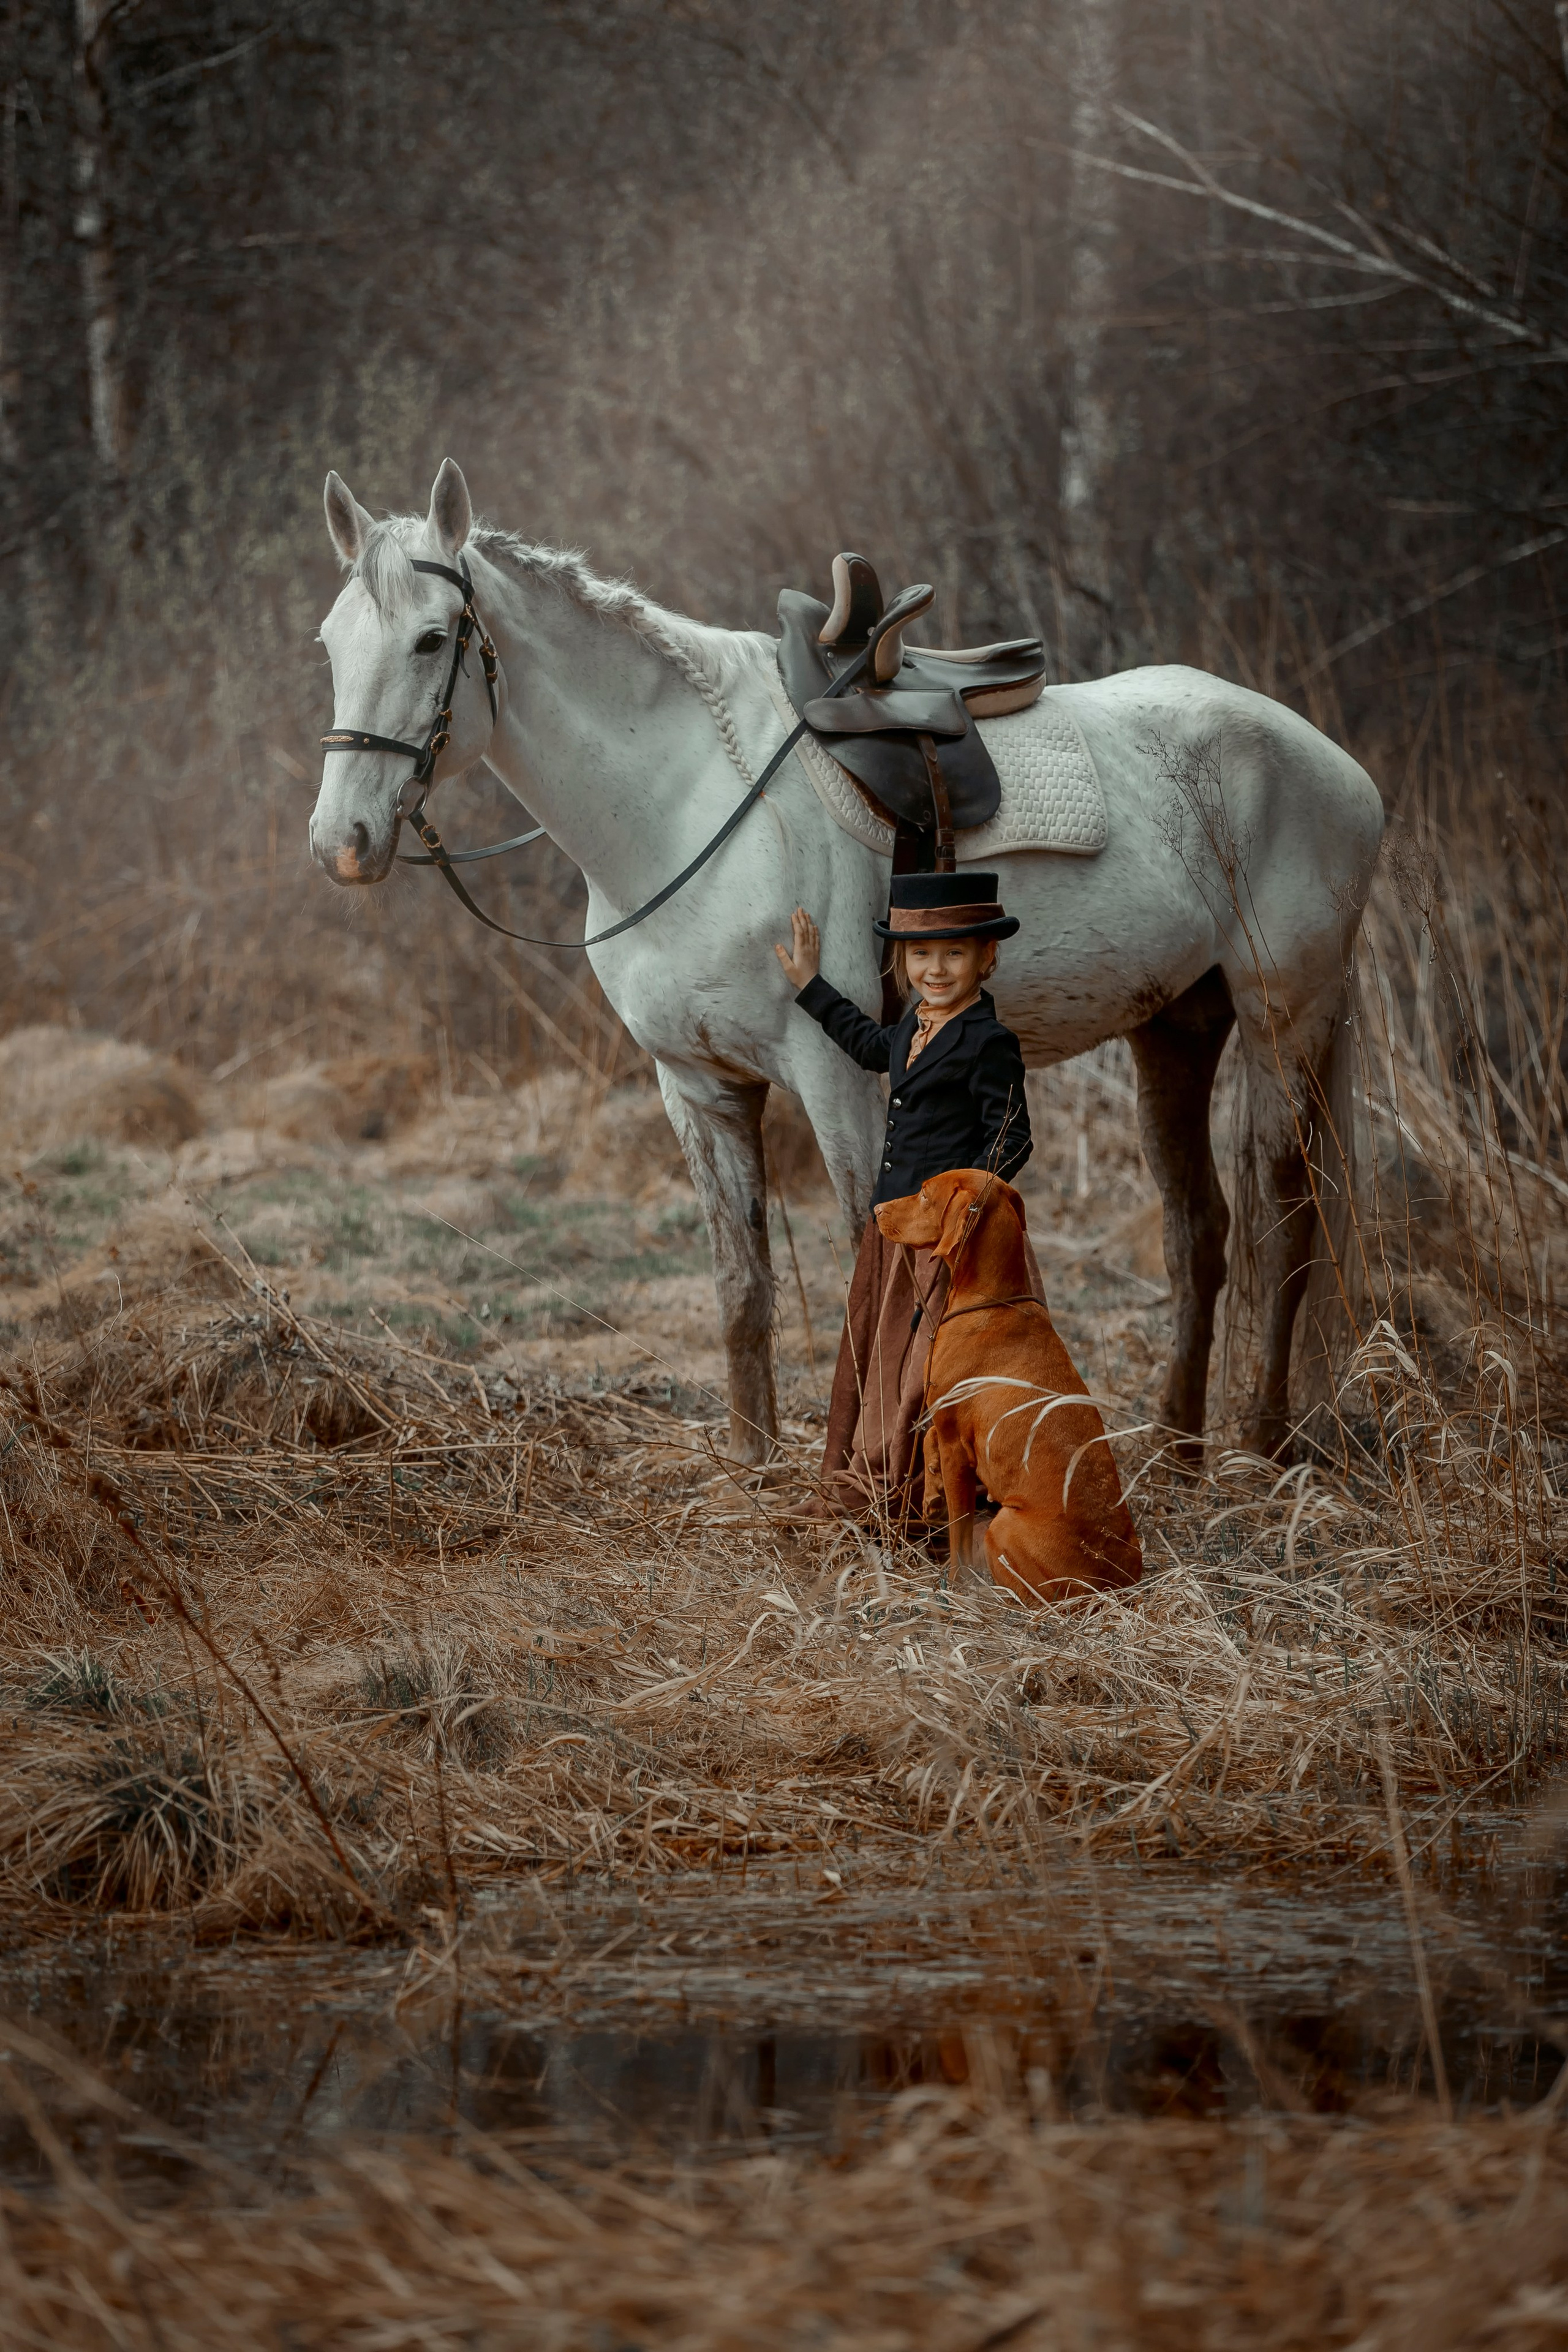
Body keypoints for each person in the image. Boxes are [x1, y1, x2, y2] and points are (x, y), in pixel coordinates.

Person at [774, 872, 1033, 1527]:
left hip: (945, 1238)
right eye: (920, 954)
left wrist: (962, 1213)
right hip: (892, 1229)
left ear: (986, 958)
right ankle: (866, 1481)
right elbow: (864, 1043)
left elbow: (1011, 1137)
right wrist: (809, 984)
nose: (935, 969)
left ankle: (924, 1495)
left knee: (926, 1362)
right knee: (882, 1354)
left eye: (954, 954)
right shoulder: (910, 1031)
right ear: (903, 960)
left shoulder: (989, 1042)